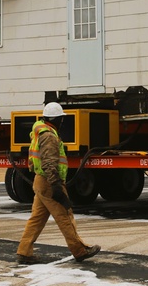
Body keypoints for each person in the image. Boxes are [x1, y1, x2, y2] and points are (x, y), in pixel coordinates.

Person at [16, 102, 100, 264]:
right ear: (55, 119)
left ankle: (24, 252)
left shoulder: (39, 132)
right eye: (61, 118)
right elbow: (49, 163)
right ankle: (80, 250)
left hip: (41, 181)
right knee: (65, 215)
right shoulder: (49, 136)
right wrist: (56, 186)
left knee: (37, 219)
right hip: (49, 181)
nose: (62, 122)